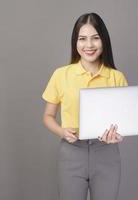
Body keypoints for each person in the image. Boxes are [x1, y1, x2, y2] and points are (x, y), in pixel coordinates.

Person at [42, 12, 128, 200]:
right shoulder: (61, 75)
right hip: (71, 153)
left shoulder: (116, 77)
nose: (89, 45)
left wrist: (118, 135)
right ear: (75, 42)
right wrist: (61, 131)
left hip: (106, 154)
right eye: (82, 39)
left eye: (95, 38)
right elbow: (48, 116)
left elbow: (124, 121)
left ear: (103, 41)